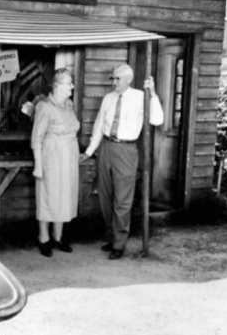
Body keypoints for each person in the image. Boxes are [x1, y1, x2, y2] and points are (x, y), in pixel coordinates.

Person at [81, 63, 164, 259]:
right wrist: (90, 151)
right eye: (113, 78)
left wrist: (152, 94)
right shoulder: (108, 98)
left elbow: (157, 119)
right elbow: (99, 125)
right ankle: (111, 238)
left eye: (117, 79)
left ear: (128, 79)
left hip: (127, 150)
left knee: (123, 199)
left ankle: (119, 243)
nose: (114, 82)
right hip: (106, 149)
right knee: (105, 196)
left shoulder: (140, 97)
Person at [31, 68, 80, 257]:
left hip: (68, 158)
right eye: (69, 83)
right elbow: (37, 138)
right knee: (48, 196)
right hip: (51, 157)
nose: (72, 86)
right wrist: (37, 166)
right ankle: (43, 238)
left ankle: (58, 238)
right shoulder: (44, 106)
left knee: (64, 197)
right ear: (58, 86)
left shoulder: (69, 105)